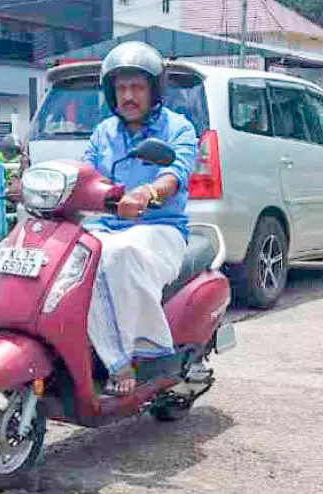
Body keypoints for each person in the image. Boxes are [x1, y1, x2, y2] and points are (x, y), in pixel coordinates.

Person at [80, 42, 197, 395]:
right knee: (68, 257)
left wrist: (147, 193)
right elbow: (85, 175)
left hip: (159, 228)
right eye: (121, 88)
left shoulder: (178, 129)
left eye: (137, 87)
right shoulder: (103, 132)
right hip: (105, 226)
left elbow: (174, 175)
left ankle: (139, 357)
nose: (128, 96)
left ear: (154, 90)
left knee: (119, 254)